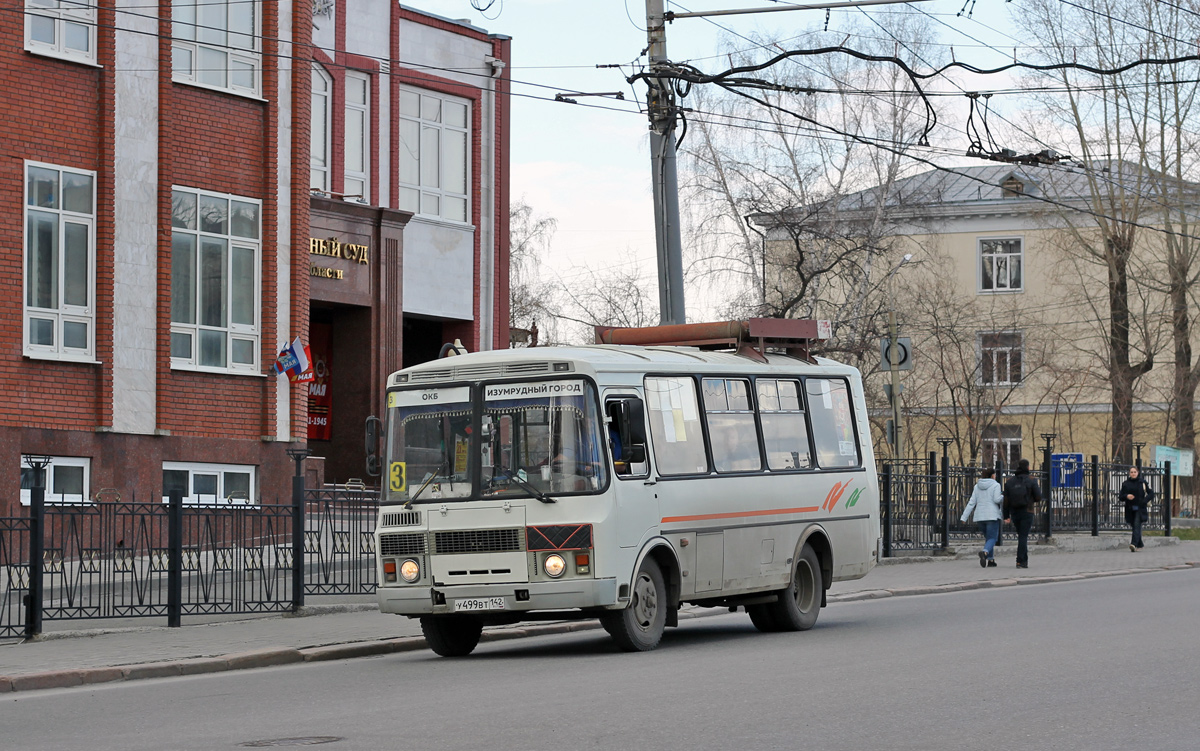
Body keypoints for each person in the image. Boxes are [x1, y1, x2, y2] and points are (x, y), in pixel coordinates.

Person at [1002, 458, 1042, 569]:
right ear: (1028, 467)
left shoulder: (1009, 481)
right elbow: (1038, 497)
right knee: (1023, 536)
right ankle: (1020, 561)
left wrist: (1006, 515)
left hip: (1015, 512)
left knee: (1021, 536)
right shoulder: (1032, 480)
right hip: (1027, 511)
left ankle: (1024, 560)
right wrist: (1031, 499)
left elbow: (1006, 500)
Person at [961, 468, 1003, 567]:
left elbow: (972, 502)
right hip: (992, 516)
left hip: (980, 517)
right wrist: (1003, 497)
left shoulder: (977, 486)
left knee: (988, 538)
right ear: (992, 475)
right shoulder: (996, 485)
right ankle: (984, 552)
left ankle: (991, 560)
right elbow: (997, 500)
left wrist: (964, 517)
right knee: (993, 538)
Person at [1119, 465, 1154, 552]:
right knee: (1134, 526)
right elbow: (1120, 496)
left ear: (1138, 473)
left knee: (1136, 524)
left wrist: (1144, 501)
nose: (1133, 474)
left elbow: (1151, 493)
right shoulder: (1125, 484)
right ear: (1129, 473)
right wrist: (1127, 496)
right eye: (1132, 472)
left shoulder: (1142, 482)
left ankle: (1133, 544)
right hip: (1130, 508)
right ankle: (1140, 544)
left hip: (1140, 508)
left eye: (1135, 472)